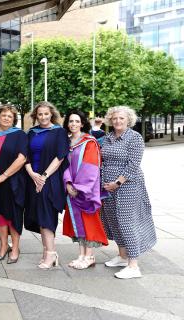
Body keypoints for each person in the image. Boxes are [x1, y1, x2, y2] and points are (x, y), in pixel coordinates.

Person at [100, 106, 156, 279]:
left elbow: (133, 164)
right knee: (113, 221)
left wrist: (117, 182)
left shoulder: (135, 137)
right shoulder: (108, 138)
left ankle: (133, 265)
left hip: (128, 185)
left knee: (126, 222)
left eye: (121, 118)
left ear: (128, 120)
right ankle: (122, 256)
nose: (117, 121)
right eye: (115, 118)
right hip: (108, 187)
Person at [24, 101, 69, 269]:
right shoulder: (31, 133)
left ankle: (51, 253)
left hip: (49, 179)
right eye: (40, 114)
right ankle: (46, 252)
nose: (43, 117)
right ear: (36, 116)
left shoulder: (59, 132)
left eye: (46, 114)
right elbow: (25, 155)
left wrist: (43, 177)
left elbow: (60, 157)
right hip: (33, 178)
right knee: (39, 217)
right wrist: (32, 174)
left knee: (47, 216)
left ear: (52, 114)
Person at [62, 110, 108, 270]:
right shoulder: (67, 143)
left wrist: (78, 187)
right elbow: (64, 165)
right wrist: (68, 183)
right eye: (70, 121)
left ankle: (89, 255)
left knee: (88, 222)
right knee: (78, 223)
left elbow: (91, 166)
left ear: (82, 123)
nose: (73, 124)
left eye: (76, 121)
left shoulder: (89, 142)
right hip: (72, 189)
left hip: (85, 190)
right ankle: (81, 255)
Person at [0, 105, 27, 264]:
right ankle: (3, 246)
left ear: (14, 119)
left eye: (10, 116)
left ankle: (15, 248)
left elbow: (22, 158)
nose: (7, 118)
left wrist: (3, 176)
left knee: (13, 215)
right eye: (4, 115)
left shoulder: (19, 135)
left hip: (13, 181)